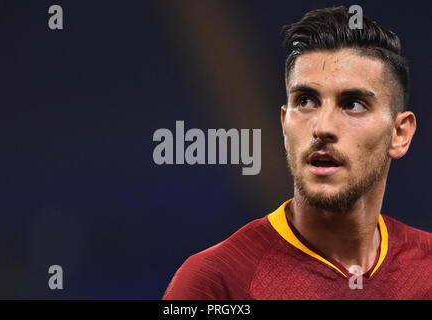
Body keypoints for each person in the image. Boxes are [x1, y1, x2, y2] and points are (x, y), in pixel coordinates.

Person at [163, 6, 432, 299]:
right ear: (284, 123)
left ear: (400, 134)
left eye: (353, 104)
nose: (322, 127)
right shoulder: (217, 281)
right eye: (305, 101)